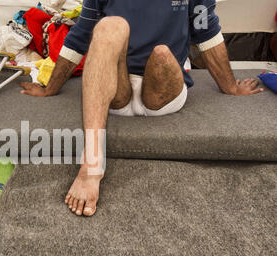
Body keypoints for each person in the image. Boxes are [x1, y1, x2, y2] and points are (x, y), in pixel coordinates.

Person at [20, 0, 264, 217]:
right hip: (116, 90)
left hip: (162, 94)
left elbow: (206, 32)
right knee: (109, 25)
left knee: (162, 53)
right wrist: (51, 87)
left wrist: (231, 87)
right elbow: (80, 37)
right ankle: (92, 165)